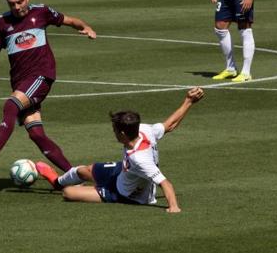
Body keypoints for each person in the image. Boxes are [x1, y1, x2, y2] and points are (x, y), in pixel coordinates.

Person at [0, 0, 96, 173]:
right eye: (12, 4)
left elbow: (68, 20)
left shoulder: (41, 12)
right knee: (36, 133)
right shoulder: (2, 22)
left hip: (41, 76)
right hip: (20, 81)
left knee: (11, 105)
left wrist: (86, 27)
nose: (17, 7)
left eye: (20, 2)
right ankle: (72, 174)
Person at [36, 87, 204, 213]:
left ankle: (76, 186)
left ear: (122, 134)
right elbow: (170, 125)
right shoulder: (144, 130)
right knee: (82, 170)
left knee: (69, 193)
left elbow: (165, 183)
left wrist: (173, 207)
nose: (113, 132)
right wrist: (188, 101)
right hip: (123, 171)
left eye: (114, 130)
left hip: (126, 193)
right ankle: (56, 181)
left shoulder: (141, 159)